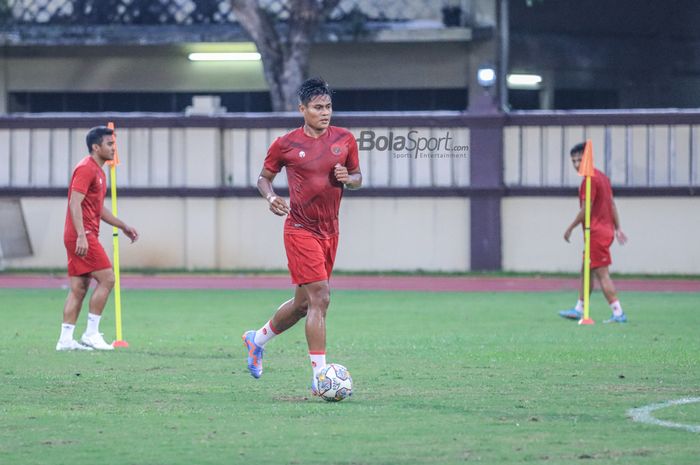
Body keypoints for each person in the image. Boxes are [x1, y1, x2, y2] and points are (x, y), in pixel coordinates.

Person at [241, 77, 362, 394]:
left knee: (302, 305)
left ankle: (258, 340)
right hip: (299, 229)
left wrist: (348, 177)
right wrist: (270, 198)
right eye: (318, 107)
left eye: (329, 107)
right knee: (320, 297)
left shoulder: (346, 139)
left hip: (330, 231)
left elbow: (358, 178)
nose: (325, 113)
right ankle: (321, 377)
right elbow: (263, 179)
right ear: (302, 109)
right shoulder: (286, 144)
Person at [56, 126, 139, 351]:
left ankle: (65, 340)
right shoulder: (86, 169)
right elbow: (74, 202)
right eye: (110, 144)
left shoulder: (99, 172)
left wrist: (123, 225)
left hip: (81, 233)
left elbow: (97, 208)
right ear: (96, 147)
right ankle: (91, 334)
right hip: (81, 234)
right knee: (108, 278)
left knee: (80, 287)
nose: (114, 148)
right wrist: (82, 236)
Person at [559, 142, 628, 323]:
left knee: (602, 273)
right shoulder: (602, 177)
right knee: (586, 271)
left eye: (580, 160)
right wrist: (618, 228)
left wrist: (570, 227)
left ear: (588, 159)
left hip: (596, 233)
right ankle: (579, 308)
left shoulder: (588, 182)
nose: (576, 164)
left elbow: (586, 210)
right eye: (573, 160)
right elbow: (611, 203)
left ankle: (618, 312)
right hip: (603, 231)